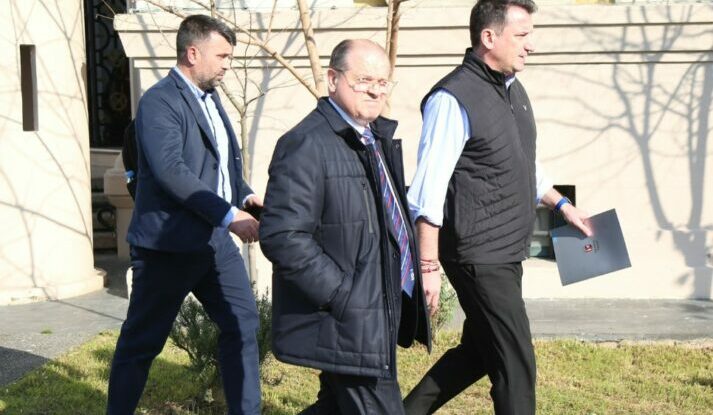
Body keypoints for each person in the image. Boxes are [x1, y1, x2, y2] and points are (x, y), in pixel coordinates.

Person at [403, 1, 592, 414]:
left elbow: (522, 163)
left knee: (478, 352)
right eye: (521, 36)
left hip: (505, 250)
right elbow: (428, 190)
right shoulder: (452, 98)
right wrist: (427, 267)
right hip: (478, 254)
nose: (531, 45)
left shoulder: (512, 90)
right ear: (489, 37)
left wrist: (563, 205)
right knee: (516, 365)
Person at [259, 39, 431, 415]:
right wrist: (343, 297)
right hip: (350, 318)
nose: (375, 90)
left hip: (375, 310)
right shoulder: (306, 143)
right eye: (364, 80)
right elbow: (282, 236)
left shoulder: (372, 138)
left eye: (383, 82)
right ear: (333, 79)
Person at [107, 14, 262, 415]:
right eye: (222, 56)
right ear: (192, 53)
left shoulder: (210, 98)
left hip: (213, 242)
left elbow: (219, 166)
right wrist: (229, 215)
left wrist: (245, 197)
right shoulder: (159, 101)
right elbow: (172, 171)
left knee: (243, 324)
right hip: (167, 247)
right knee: (141, 344)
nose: (228, 64)